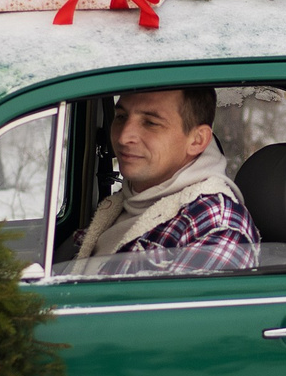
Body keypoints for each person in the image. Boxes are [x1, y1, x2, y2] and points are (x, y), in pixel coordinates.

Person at [66, 87, 261, 274]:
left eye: (150, 123)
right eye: (121, 117)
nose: (124, 137)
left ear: (197, 140)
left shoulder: (216, 226)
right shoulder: (124, 204)